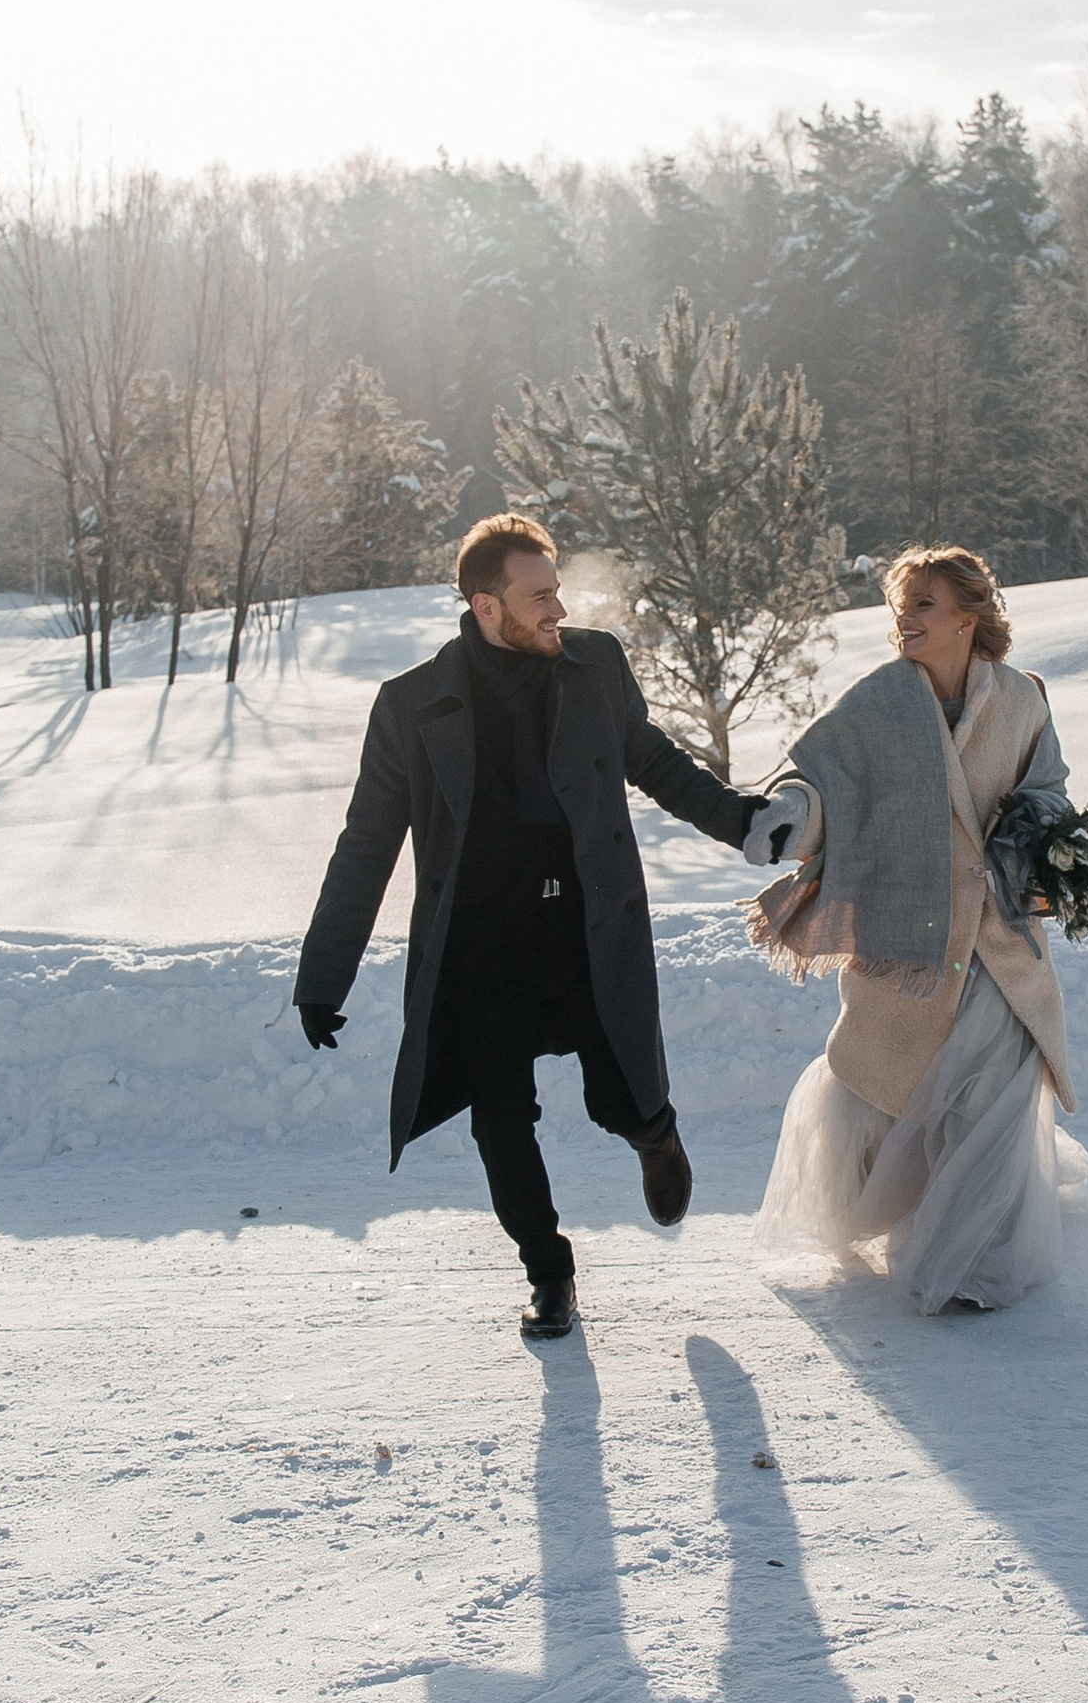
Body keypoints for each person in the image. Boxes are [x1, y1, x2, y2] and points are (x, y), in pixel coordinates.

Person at [293, 515, 762, 1342]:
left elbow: (653, 761)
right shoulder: (411, 705)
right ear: (485, 605)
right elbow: (367, 842)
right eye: (540, 595)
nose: (558, 609)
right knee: (497, 1117)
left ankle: (654, 1135)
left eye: (559, 591)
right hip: (482, 946)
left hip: (585, 929)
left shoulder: (595, 665)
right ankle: (549, 1273)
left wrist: (747, 825)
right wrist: (322, 977)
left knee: (621, 1095)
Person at [748, 543, 1088, 1316]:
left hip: (999, 937)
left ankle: (978, 1257)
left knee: (991, 1095)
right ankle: (895, 1209)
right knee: (877, 1085)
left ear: (969, 618)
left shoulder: (1023, 701)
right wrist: (794, 813)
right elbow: (816, 778)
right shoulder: (877, 704)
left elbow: (1049, 791)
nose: (907, 618)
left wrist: (1036, 844)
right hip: (909, 937)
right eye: (902, 605)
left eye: (925, 604)